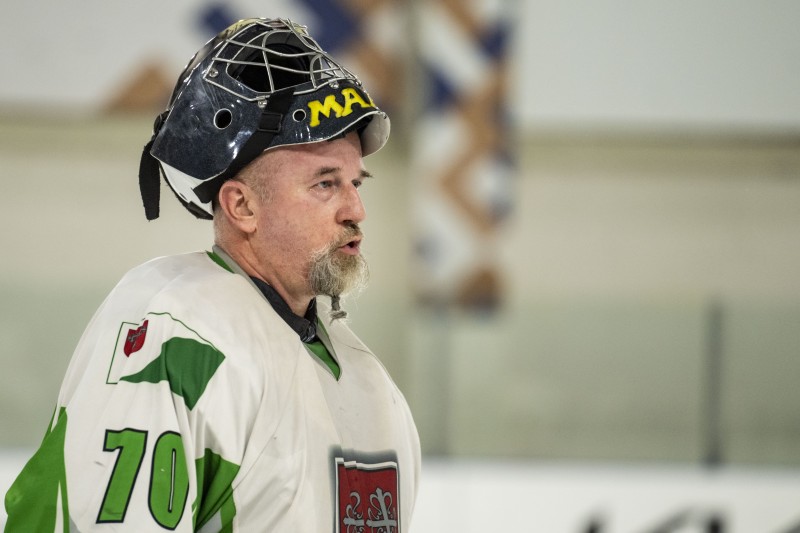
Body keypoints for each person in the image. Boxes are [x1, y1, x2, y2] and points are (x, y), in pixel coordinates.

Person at [4, 18, 420, 532]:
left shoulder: (369, 382)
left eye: (357, 182)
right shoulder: (173, 333)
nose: (356, 209)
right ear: (242, 206)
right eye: (325, 184)